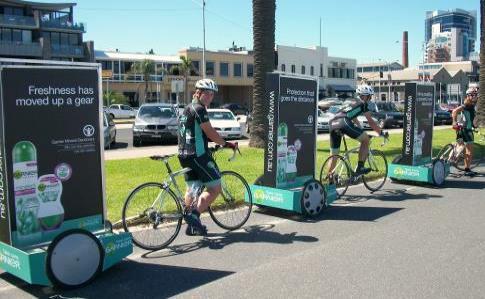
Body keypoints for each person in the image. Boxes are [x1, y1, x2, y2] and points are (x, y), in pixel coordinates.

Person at [178, 78, 237, 236]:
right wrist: (226, 144)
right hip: (198, 155)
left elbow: (196, 133)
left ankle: (191, 224)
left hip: (183, 154)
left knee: (192, 188)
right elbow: (209, 131)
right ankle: (195, 216)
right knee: (215, 187)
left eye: (212, 95)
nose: (210, 97)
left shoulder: (187, 108)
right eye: (207, 94)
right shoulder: (199, 109)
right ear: (198, 93)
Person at [327, 84, 388, 176]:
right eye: (369, 97)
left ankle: (330, 179)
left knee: (334, 155)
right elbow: (371, 122)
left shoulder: (349, 101)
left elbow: (353, 117)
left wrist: (360, 130)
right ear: (364, 96)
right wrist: (381, 133)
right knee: (366, 140)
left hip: (332, 123)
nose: (369, 99)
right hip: (343, 122)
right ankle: (360, 167)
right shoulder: (363, 104)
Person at [452, 87, 478, 176]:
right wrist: (454, 122)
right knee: (469, 151)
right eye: (473, 95)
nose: (475, 96)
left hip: (461, 130)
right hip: (467, 131)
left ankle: (450, 161)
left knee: (460, 148)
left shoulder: (471, 105)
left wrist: (474, 125)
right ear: (468, 95)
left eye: (476, 94)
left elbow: (469, 119)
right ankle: (467, 170)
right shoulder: (467, 105)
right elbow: (454, 111)